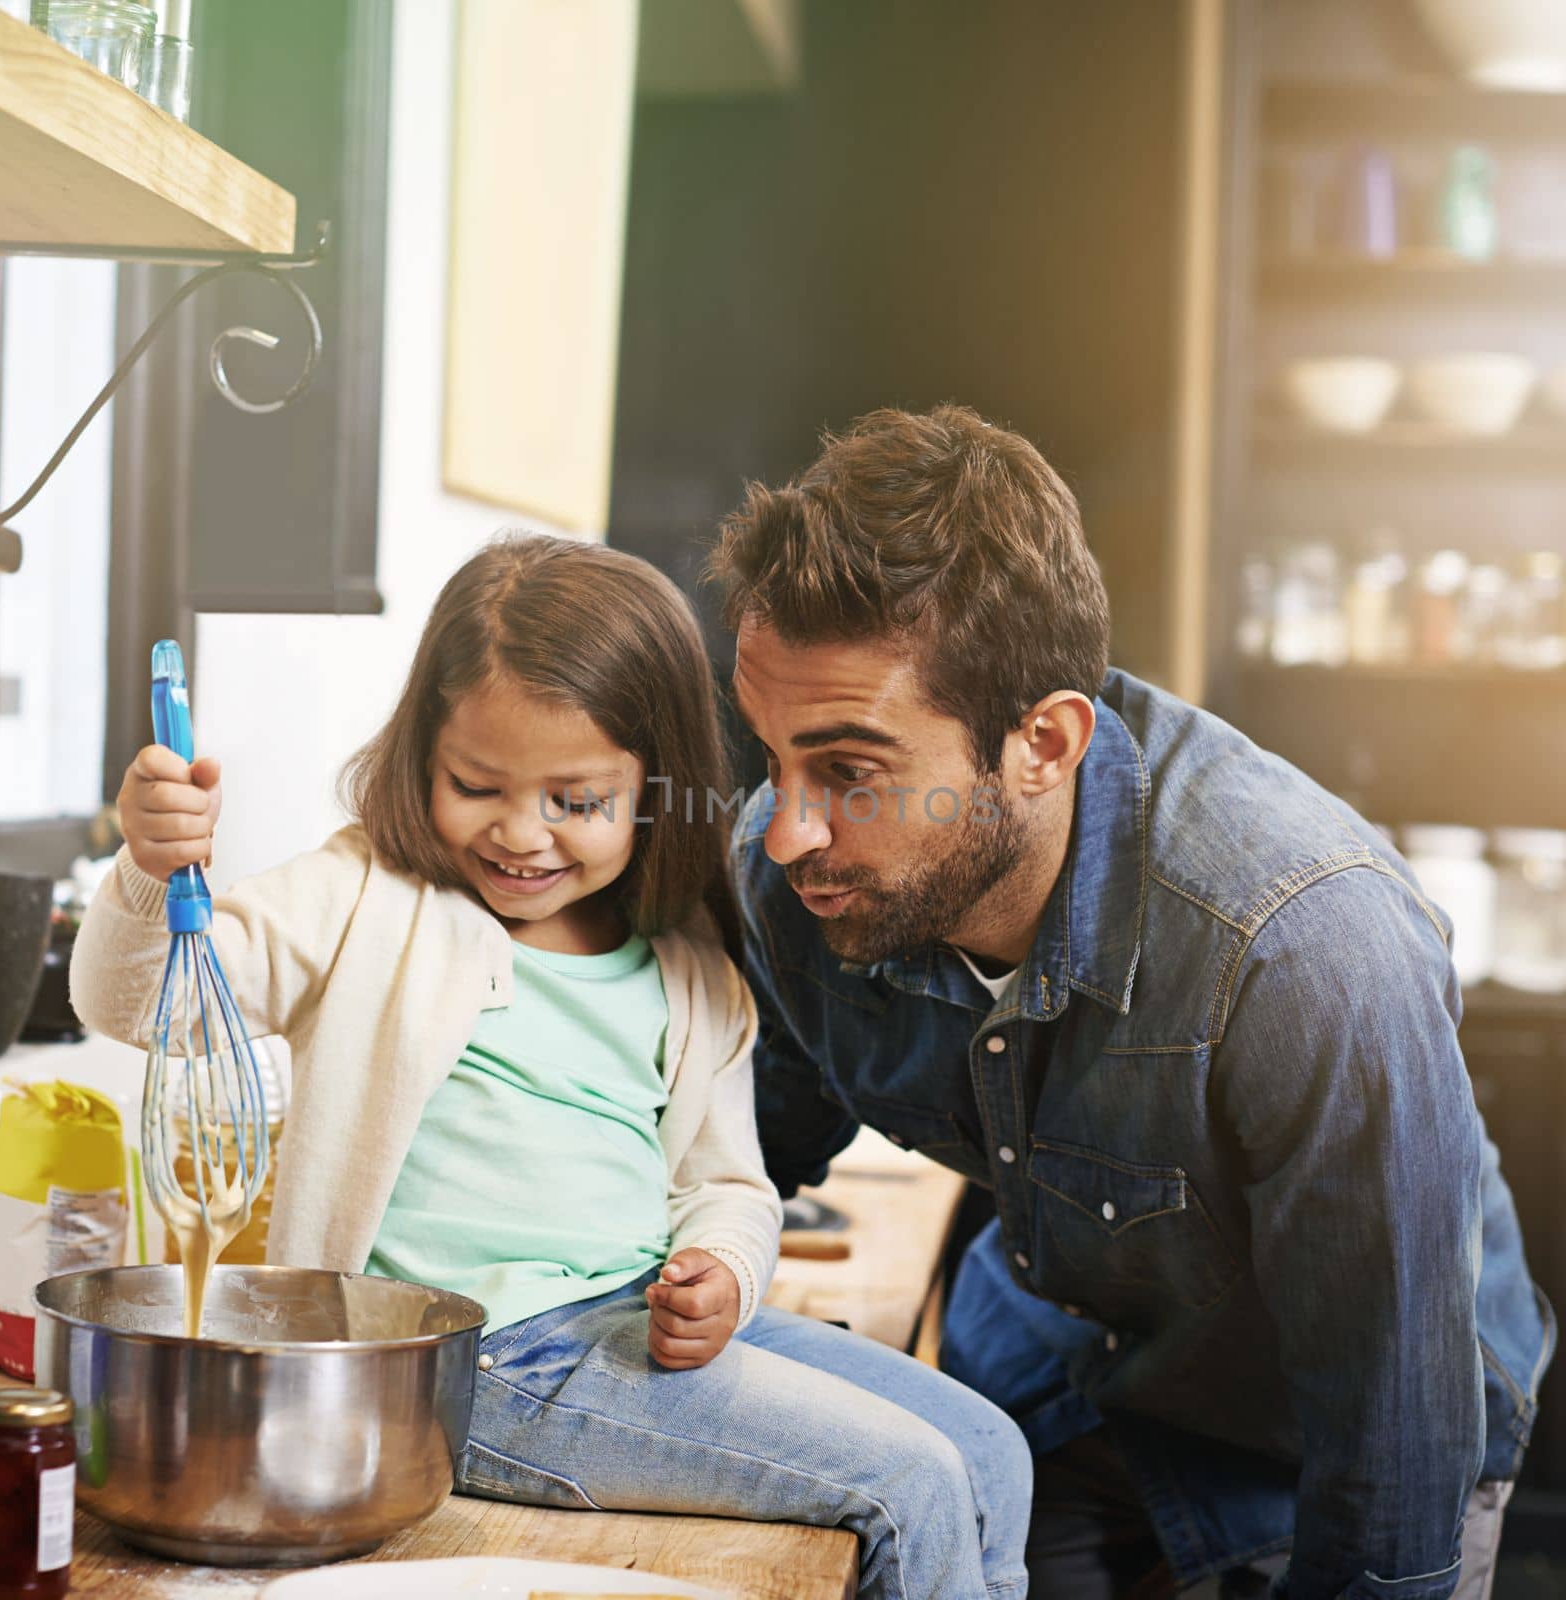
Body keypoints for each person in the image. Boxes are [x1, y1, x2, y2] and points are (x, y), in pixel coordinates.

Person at [70, 534, 1032, 1600]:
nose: (522, 833)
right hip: (469, 1366)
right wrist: (153, 871)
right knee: (911, 1481)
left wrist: (724, 1270)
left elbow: (725, 1185)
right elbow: (138, 1004)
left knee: (989, 1450)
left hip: (628, 1329)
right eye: (476, 784)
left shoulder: (687, 968)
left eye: (575, 801)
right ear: (421, 756)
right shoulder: (364, 897)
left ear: (654, 790)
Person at [712, 405, 1555, 1600]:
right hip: (1070, 1374)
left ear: (1042, 744)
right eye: (769, 756)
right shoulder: (796, 873)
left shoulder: (1304, 948)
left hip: (1321, 1441)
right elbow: (757, 1139)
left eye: (850, 774)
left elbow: (1391, 1420)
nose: (786, 828)